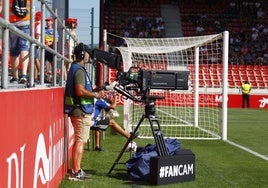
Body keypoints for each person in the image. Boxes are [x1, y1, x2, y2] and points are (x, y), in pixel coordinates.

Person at [64, 43, 105, 181]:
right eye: (87, 53)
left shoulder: (78, 69)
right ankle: (75, 172)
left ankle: (77, 169)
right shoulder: (79, 70)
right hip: (80, 111)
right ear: (82, 54)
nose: (89, 56)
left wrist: (96, 91)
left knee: (80, 141)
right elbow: (80, 91)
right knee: (80, 141)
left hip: (80, 110)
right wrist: (96, 95)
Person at [92, 87, 137, 152]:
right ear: (98, 92)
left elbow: (109, 106)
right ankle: (128, 136)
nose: (104, 92)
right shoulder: (99, 101)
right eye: (103, 91)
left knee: (100, 123)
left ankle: (97, 146)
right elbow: (112, 107)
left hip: (91, 120)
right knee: (112, 122)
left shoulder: (95, 99)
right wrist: (116, 97)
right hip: (92, 122)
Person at [6, 0, 31, 84]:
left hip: (12, 23)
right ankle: (23, 74)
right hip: (25, 21)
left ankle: (15, 77)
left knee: (14, 50)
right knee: (24, 47)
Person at [44, 17, 58, 83]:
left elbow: (57, 39)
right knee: (44, 63)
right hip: (44, 48)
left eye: (49, 21)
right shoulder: (43, 29)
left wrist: (51, 43)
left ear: (52, 22)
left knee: (52, 63)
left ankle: (53, 77)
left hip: (51, 48)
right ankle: (45, 77)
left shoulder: (54, 31)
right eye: (47, 21)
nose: (47, 22)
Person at [34, 11, 41, 84]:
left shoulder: (38, 24)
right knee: (35, 60)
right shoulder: (38, 24)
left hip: (35, 44)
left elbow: (37, 35)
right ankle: (35, 78)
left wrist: (34, 41)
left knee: (35, 59)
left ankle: (42, 74)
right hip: (36, 44)